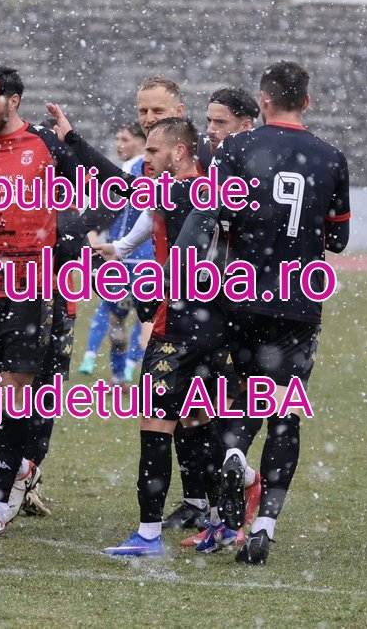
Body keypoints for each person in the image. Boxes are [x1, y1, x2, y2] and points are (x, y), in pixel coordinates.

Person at [173, 61, 351, 564]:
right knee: (284, 411)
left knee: (238, 393)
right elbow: (338, 238)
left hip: (239, 294)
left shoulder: (235, 148)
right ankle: (265, 526)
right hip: (298, 300)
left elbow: (212, 215)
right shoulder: (331, 157)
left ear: (264, 100)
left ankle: (235, 456)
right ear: (307, 102)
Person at [98, 85, 263, 546]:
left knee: (156, 427)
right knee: (200, 424)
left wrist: (147, 291)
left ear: (179, 152)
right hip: (218, 325)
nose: (146, 158)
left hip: (178, 326)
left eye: (153, 150)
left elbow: (175, 254)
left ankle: (148, 534)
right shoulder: (219, 189)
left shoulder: (176, 193)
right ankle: (225, 516)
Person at [0, 65, 85, 536]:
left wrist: (67, 237)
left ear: (14, 100)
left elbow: (104, 190)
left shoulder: (46, 145)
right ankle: (23, 468)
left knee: (15, 398)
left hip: (30, 291)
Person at [76, 121, 151, 385]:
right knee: (135, 318)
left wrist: (90, 229)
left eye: (125, 139)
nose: (119, 145)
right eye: (118, 139)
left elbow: (106, 209)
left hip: (131, 256)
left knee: (125, 317)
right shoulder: (141, 169)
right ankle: (127, 371)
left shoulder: (134, 169)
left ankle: (123, 372)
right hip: (134, 256)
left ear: (141, 142)